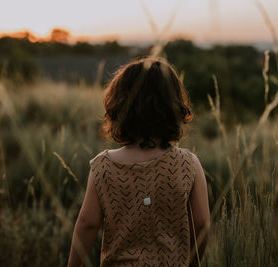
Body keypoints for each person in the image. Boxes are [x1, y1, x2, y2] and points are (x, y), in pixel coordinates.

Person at [68, 57, 210, 266]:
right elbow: (201, 224)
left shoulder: (103, 167)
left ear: (120, 107)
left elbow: (88, 224)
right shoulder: (188, 164)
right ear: (173, 106)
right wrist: (192, 261)